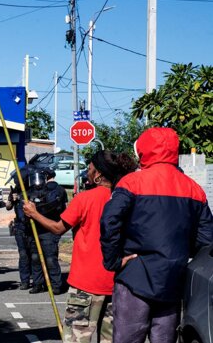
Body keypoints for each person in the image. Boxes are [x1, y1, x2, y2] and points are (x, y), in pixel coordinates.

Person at [100, 128, 213, 343]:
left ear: (142, 150)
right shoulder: (194, 189)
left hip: (135, 277)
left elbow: (109, 221)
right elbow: (206, 240)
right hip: (173, 279)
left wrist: (113, 260)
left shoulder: (131, 183)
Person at [23, 150, 137, 343]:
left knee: (76, 339)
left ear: (99, 175)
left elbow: (58, 228)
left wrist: (34, 214)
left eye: (91, 168)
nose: (88, 172)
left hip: (86, 284)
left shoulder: (85, 199)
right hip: (117, 282)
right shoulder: (128, 199)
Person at [25, 170, 66, 294]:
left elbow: (55, 207)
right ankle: (38, 284)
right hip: (34, 230)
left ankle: (56, 285)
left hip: (48, 230)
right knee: (35, 258)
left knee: (50, 258)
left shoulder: (53, 191)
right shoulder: (30, 192)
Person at [5, 178, 32, 290]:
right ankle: (25, 280)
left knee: (34, 255)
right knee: (23, 254)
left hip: (32, 226)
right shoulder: (15, 191)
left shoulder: (32, 190)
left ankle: (37, 279)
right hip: (20, 227)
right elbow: (8, 207)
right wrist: (11, 199)